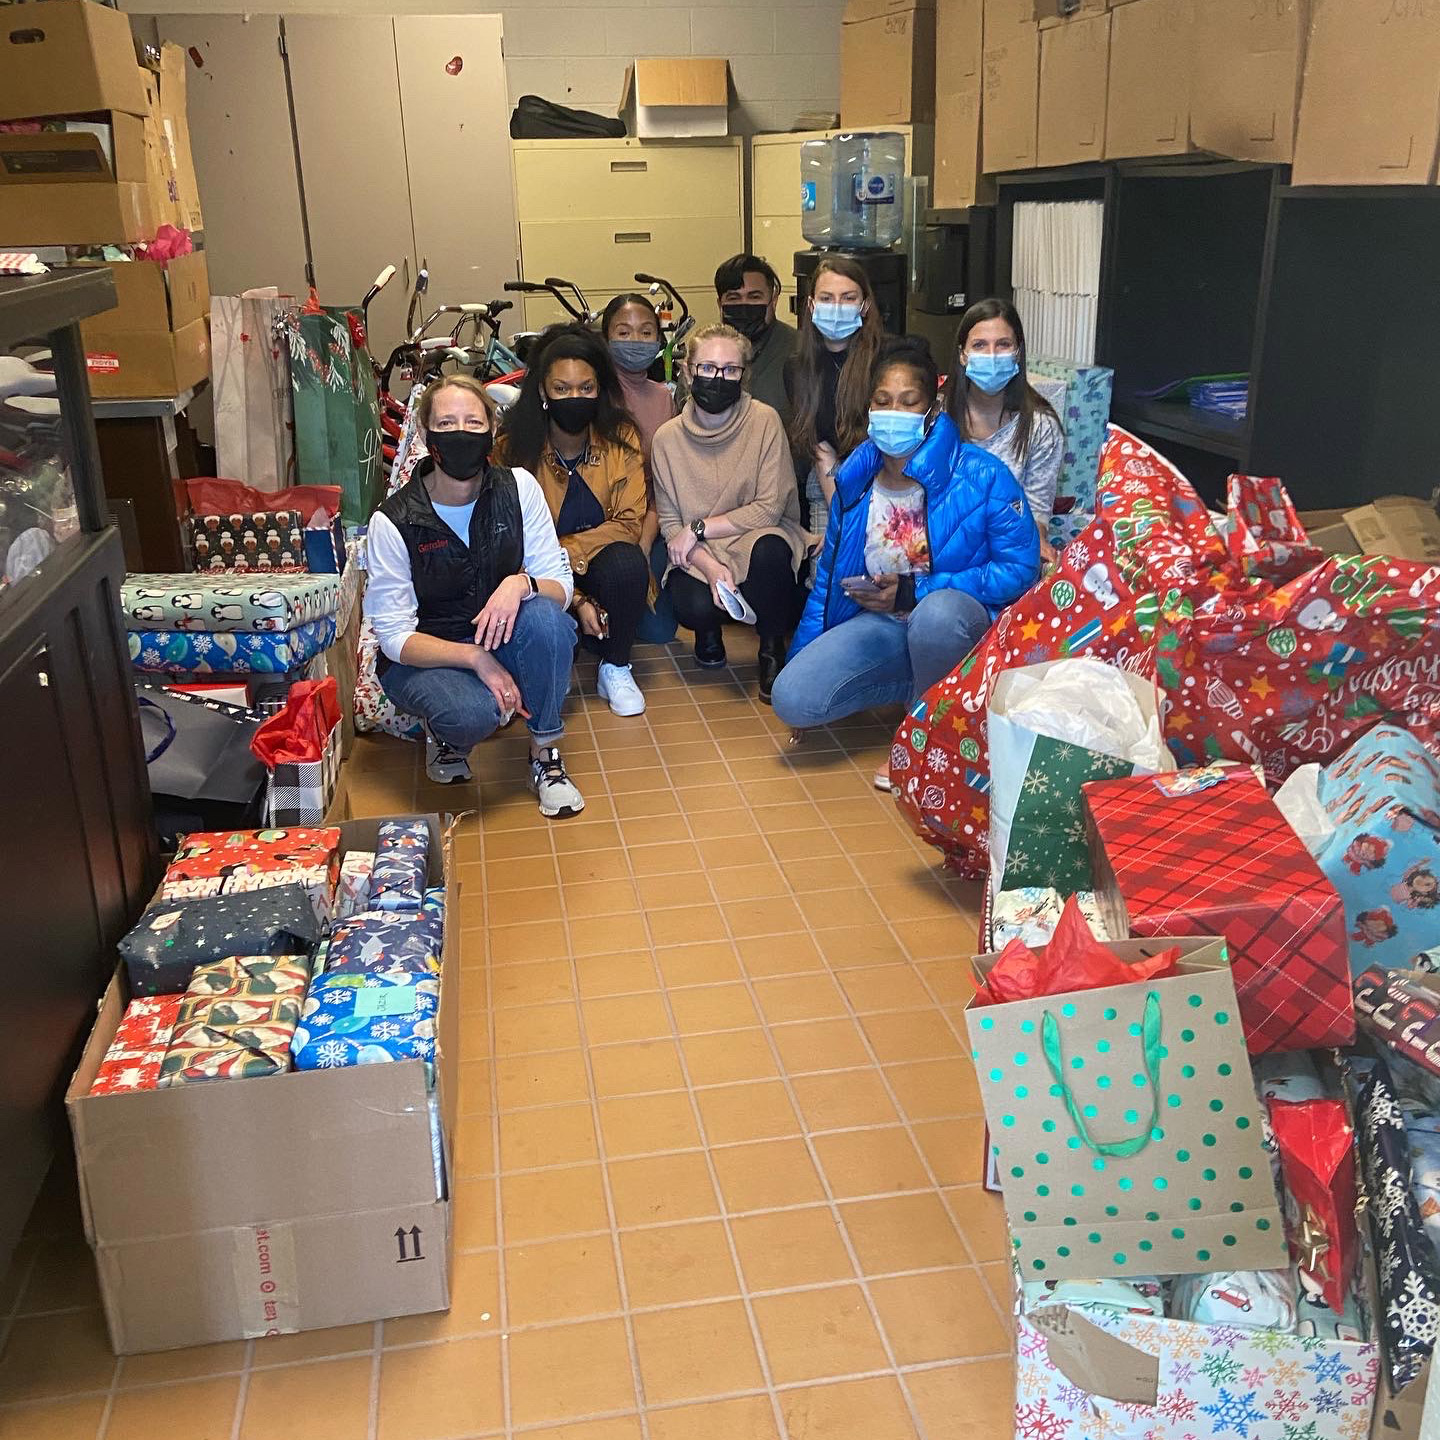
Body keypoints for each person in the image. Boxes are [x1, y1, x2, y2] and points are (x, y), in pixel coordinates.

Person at [772, 337, 1041, 781]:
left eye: (908, 401)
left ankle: (924, 737)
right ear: (869, 408)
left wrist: (916, 591)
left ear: (932, 407)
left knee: (936, 614)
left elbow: (1019, 569)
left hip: (961, 627)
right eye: (883, 401)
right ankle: (919, 689)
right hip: (883, 626)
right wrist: (802, 653)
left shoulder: (983, 474)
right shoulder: (854, 482)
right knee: (793, 696)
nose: (893, 412)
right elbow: (826, 583)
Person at [364, 374, 586, 818]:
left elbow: (562, 589)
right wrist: (475, 660)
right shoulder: (392, 521)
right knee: (471, 714)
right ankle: (446, 735)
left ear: (491, 430)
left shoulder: (519, 488)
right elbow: (394, 638)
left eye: (473, 421)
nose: (461, 433)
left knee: (550, 622)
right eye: (446, 424)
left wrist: (519, 583)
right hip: (428, 655)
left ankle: (545, 754)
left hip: (499, 634)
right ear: (426, 437)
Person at [496, 327, 651, 717]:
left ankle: (615, 665)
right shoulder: (511, 448)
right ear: (543, 392)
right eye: (562, 389)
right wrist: (576, 598)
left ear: (600, 389)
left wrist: (568, 556)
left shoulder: (621, 437)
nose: (575, 398)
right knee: (555, 630)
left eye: (586, 388)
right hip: (535, 571)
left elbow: (630, 523)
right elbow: (510, 541)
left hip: (595, 561)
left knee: (629, 564)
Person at [651, 323, 809, 702]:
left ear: (744, 375)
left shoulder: (764, 421)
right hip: (698, 550)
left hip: (756, 534)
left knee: (772, 553)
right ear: (688, 371)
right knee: (692, 605)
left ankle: (771, 649)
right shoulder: (666, 439)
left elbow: (770, 507)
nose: (718, 378)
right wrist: (708, 565)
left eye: (730, 370)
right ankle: (709, 633)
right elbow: (672, 522)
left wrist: (700, 528)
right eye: (707, 367)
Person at [944, 298, 1063, 563]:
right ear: (962, 354)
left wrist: (1037, 546)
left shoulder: (1041, 427)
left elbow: (1036, 513)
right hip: (945, 553)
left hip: (1007, 555)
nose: (992, 355)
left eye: (1003, 344)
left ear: (1018, 352)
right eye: (979, 345)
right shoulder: (938, 418)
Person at [783, 255, 884, 531]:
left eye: (848, 298)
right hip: (828, 480)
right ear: (811, 305)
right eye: (826, 299)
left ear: (864, 305)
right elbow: (819, 446)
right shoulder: (797, 367)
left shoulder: (887, 360)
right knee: (830, 569)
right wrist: (842, 516)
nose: (836, 307)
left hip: (888, 477)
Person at [601, 291, 679, 645]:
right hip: (597, 527)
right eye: (624, 332)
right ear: (605, 339)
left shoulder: (665, 398)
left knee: (657, 631)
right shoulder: (592, 393)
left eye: (646, 332)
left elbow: (665, 484)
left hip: (650, 521)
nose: (636, 340)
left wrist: (644, 544)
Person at [713, 253, 796, 418]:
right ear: (720, 304)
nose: (744, 305)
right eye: (734, 298)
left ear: (773, 300)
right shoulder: (704, 351)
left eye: (754, 297)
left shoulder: (800, 349)